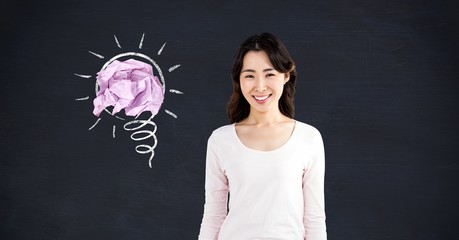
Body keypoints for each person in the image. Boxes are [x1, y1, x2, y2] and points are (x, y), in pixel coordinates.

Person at [198, 32, 327, 240]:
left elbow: (314, 219)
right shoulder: (221, 140)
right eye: (249, 75)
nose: (259, 86)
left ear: (286, 75)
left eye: (269, 74)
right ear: (239, 80)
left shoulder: (308, 138)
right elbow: (213, 216)